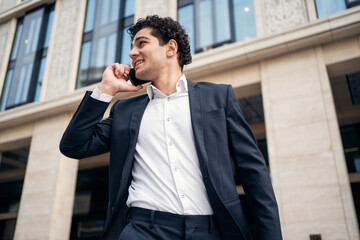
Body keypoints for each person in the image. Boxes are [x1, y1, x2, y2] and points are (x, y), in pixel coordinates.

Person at [60, 15, 282, 240]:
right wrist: (106, 89)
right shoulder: (125, 111)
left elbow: (254, 175)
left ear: (170, 48)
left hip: (210, 230)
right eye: (132, 47)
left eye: (141, 43)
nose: (131, 53)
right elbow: (74, 146)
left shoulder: (218, 98)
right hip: (142, 230)